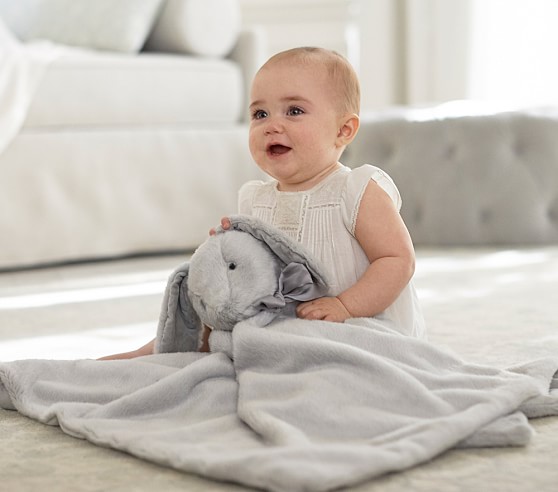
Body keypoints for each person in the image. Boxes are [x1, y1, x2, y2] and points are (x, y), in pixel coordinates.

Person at [100, 47, 424, 360]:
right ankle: (160, 350)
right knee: (216, 323)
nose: (272, 125)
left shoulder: (356, 190)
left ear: (343, 130)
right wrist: (228, 252)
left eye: (294, 111)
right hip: (283, 328)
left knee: (337, 365)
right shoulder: (255, 199)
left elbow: (397, 260)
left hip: (360, 325)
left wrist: (345, 306)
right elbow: (251, 279)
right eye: (260, 114)